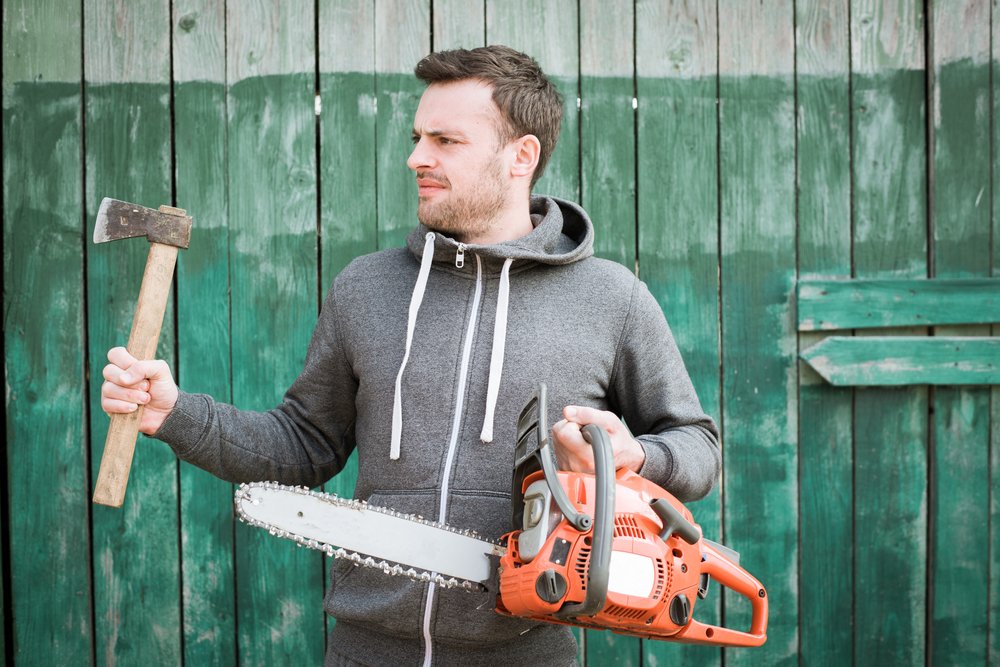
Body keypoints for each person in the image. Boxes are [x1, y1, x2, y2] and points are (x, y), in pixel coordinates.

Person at [101, 45, 720, 667]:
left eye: (445, 140)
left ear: (521, 156)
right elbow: (303, 443)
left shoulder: (611, 298)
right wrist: (173, 411)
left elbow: (699, 446)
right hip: (364, 653)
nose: (416, 157)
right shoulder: (366, 288)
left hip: (528, 653)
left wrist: (637, 455)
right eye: (418, 136)